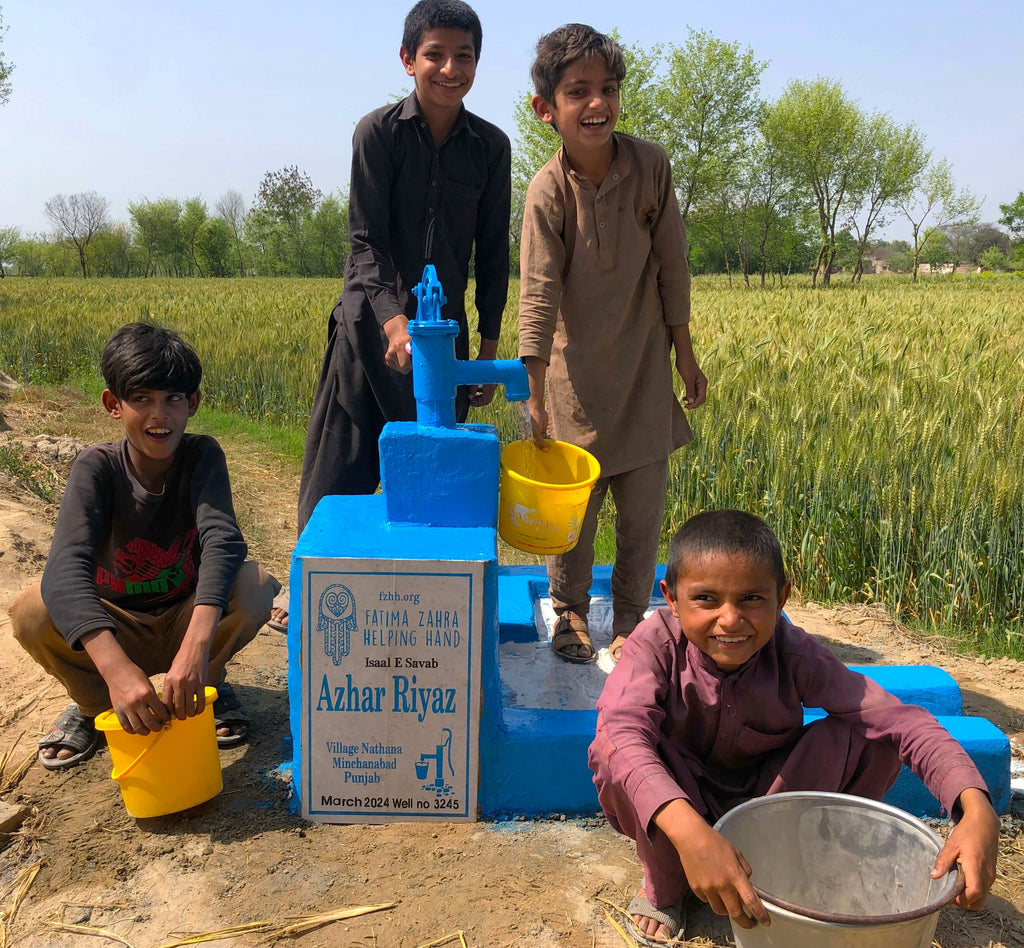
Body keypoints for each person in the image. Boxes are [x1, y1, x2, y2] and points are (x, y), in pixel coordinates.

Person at [588, 509, 1000, 945]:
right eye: (706, 598)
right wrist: (691, 834)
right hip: (681, 798)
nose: (730, 620)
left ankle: (804, 869)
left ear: (781, 598)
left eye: (751, 599)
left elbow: (901, 722)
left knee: (872, 736)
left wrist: (975, 809)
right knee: (613, 750)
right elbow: (621, 732)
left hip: (769, 804)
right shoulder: (654, 646)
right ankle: (667, 890)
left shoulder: (793, 652)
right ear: (671, 598)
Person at [8, 323, 280, 770]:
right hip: (118, 626)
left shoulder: (201, 456)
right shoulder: (96, 468)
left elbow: (222, 541)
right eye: (142, 399)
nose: (161, 415)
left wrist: (195, 647)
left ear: (193, 402)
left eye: (174, 399)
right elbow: (65, 570)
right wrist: (116, 670)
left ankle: (202, 686)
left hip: (183, 618)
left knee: (255, 585)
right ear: (113, 405)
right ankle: (97, 708)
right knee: (31, 611)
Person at [518, 24, 707, 667]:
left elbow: (672, 266)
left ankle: (631, 616)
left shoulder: (651, 166)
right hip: (575, 382)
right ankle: (569, 608)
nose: (596, 104)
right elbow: (538, 295)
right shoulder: (547, 191)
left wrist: (685, 353)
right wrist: (533, 392)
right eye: (578, 92)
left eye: (607, 89)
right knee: (575, 516)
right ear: (548, 109)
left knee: (642, 510)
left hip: (645, 370)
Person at [297, 0, 511, 535]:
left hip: (444, 338)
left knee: (434, 478)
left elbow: (493, 252)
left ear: (477, 64)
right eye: (434, 54)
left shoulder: (490, 146)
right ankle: (312, 583)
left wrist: (487, 347)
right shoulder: (378, 133)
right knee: (339, 465)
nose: (450, 69)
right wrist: (395, 322)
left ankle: (421, 591)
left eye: (464, 56)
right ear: (407, 59)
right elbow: (365, 242)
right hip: (370, 325)